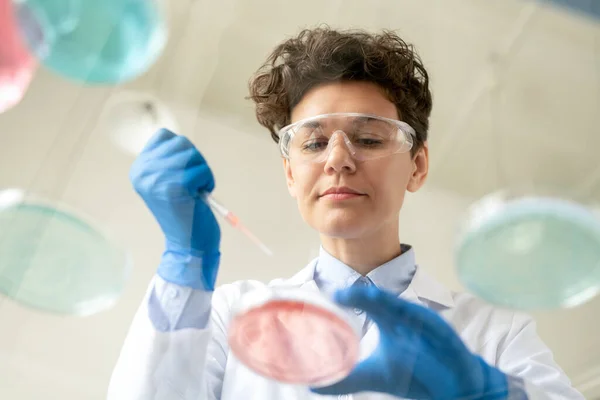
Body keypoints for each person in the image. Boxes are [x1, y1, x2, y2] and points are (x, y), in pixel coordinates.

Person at [107, 27, 584, 400]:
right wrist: (184, 264)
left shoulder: (491, 333)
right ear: (291, 175)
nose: (338, 158)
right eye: (313, 143)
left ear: (417, 166)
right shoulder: (234, 314)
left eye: (370, 138)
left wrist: (486, 393)